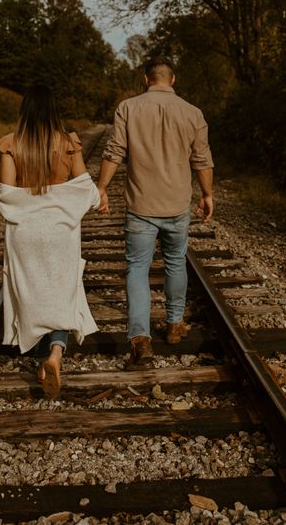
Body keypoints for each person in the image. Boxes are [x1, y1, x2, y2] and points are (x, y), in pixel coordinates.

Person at [97, 57, 214, 369]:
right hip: (176, 206)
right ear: (172, 79)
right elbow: (202, 160)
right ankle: (175, 325)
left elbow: (114, 151)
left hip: (141, 207)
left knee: (137, 268)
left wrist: (101, 187)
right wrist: (207, 194)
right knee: (176, 262)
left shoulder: (128, 108)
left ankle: (140, 338)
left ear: (146, 78)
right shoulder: (193, 113)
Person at [0, 84, 100, 398]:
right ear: (54, 111)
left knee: (32, 291)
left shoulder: (11, 145)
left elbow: (7, 194)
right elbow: (83, 187)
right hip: (60, 231)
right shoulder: (68, 143)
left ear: (24, 111)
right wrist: (97, 196)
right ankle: (55, 353)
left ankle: (42, 359)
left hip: (25, 232)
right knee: (62, 290)